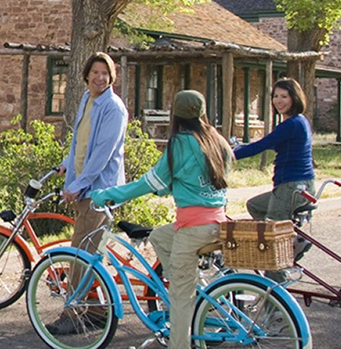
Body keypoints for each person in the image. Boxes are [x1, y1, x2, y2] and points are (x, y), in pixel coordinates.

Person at [87, 90, 234, 349]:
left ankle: (180, 338)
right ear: (202, 112)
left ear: (175, 115)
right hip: (218, 223)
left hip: (193, 229)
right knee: (159, 236)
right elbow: (209, 174)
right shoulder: (216, 139)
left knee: (180, 296)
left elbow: (149, 182)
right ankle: (189, 283)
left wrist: (108, 194)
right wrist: (173, 184)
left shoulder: (179, 144)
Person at [46, 52, 127, 332]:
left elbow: (102, 155)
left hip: (99, 192)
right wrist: (67, 166)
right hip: (84, 189)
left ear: (111, 76)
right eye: (95, 72)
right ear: (86, 75)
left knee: (81, 255)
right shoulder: (87, 99)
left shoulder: (113, 108)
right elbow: (80, 141)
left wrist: (78, 186)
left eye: (105, 73)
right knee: (90, 254)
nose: (99, 77)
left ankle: (75, 315)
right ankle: (95, 312)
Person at [233, 78, 315, 280]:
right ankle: (293, 239)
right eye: (275, 96)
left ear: (294, 98)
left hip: (291, 187)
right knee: (255, 205)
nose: (279, 101)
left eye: (284, 96)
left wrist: (229, 154)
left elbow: (263, 144)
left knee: (272, 242)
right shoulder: (297, 122)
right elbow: (268, 143)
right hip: (301, 185)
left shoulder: (293, 123)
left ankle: (274, 306)